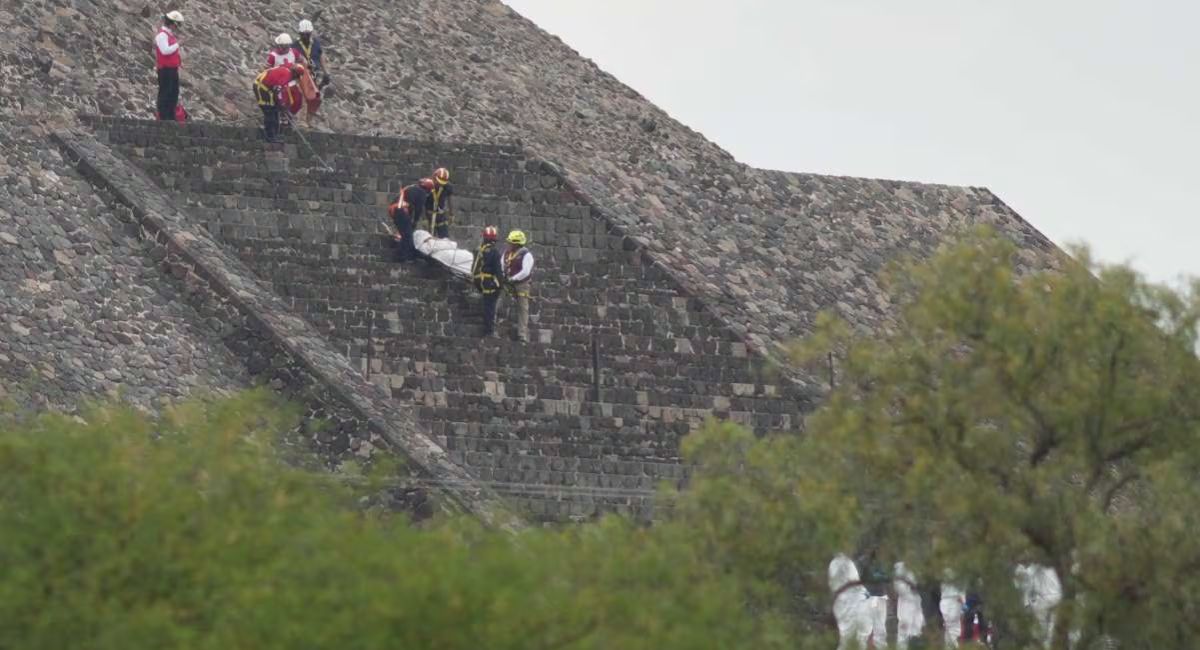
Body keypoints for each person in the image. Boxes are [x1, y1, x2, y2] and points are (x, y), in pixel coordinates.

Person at [254, 63, 304, 143]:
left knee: (275, 111)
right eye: (297, 77)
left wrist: (281, 105)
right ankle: (270, 137)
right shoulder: (287, 75)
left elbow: (278, 90)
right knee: (269, 110)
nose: (295, 79)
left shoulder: (286, 72)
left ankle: (274, 135)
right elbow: (277, 91)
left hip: (267, 89)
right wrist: (282, 105)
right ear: (295, 74)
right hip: (261, 88)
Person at [388, 178, 434, 263]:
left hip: (394, 209)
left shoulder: (411, 188)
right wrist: (415, 221)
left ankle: (403, 254)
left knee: (405, 234)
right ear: (428, 189)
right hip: (401, 210)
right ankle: (403, 257)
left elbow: (410, 206)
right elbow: (418, 209)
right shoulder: (422, 193)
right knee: (408, 236)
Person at [503, 230, 534, 342]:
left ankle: (522, 334)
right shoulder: (507, 253)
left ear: (517, 243)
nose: (509, 244)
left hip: (522, 284)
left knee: (522, 308)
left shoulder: (526, 255)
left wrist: (513, 279)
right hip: (507, 282)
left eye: (511, 242)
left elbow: (525, 272)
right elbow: (502, 265)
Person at [471, 226, 503, 338]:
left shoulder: (478, 250)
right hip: (490, 282)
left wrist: (477, 283)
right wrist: (499, 284)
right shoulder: (494, 253)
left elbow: (474, 268)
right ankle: (489, 330)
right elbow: (498, 271)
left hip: (480, 282)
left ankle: (487, 329)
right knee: (490, 307)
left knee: (486, 304)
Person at [154, 11, 183, 121]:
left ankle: (171, 116)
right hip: (165, 69)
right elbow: (165, 51)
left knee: (173, 92)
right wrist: (178, 44)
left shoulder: (168, 35)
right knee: (165, 92)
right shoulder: (161, 35)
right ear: (172, 24)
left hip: (172, 68)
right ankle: (163, 116)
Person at [296, 19, 326, 126]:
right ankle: (302, 121)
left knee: (316, 98)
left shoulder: (316, 43)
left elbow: (321, 56)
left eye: (307, 34)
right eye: (303, 35)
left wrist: (326, 72)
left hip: (315, 74)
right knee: (304, 97)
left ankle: (309, 120)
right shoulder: (295, 45)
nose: (305, 37)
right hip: (302, 75)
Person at [266, 34, 303, 119]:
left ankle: (290, 116)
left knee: (298, 100)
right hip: (280, 84)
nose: (284, 49)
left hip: (292, 82)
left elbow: (302, 60)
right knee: (284, 102)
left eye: (286, 47)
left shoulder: (293, 52)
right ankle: (282, 117)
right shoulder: (273, 56)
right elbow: (267, 70)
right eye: (283, 46)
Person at [426, 167, 454, 238]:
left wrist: (451, 214)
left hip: (440, 215)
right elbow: (422, 201)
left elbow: (449, 200)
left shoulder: (447, 187)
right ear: (434, 178)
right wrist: (424, 218)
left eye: (443, 183)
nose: (440, 185)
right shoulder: (427, 185)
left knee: (444, 237)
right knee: (429, 237)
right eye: (439, 182)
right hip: (429, 214)